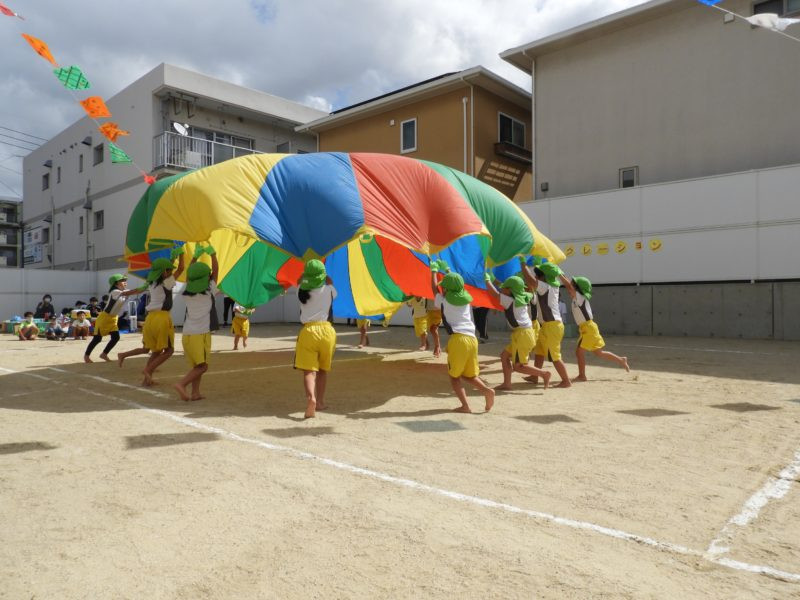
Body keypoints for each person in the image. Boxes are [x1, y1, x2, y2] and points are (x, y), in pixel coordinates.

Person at [431, 260, 494, 413]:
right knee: (469, 375)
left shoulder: (444, 300)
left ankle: (465, 406)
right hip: (472, 339)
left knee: (454, 377)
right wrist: (447, 269)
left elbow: (434, 289)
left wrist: (433, 271)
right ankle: (486, 390)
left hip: (458, 340)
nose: (442, 288)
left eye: (443, 286)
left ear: (446, 289)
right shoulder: (466, 297)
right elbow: (457, 283)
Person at [118, 246, 186, 386]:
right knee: (169, 350)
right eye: (169, 270)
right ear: (165, 272)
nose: (171, 272)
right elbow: (181, 269)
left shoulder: (152, 283)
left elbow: (139, 289)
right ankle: (147, 370)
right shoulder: (166, 283)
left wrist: (172, 258)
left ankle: (146, 380)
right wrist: (182, 254)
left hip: (150, 319)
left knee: (155, 351)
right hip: (161, 319)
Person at [485, 272, 552, 391]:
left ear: (510, 291)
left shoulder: (510, 300)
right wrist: (494, 279)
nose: (502, 290)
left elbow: (495, 294)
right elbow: (522, 289)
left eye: (504, 288)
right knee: (504, 356)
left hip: (523, 335)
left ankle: (543, 374)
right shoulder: (522, 297)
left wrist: (487, 280)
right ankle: (507, 384)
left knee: (519, 366)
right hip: (523, 333)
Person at [173, 245, 219, 402]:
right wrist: (213, 255)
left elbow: (189, 275)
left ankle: (195, 393)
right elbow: (216, 272)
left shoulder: (187, 290)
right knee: (203, 367)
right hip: (201, 334)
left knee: (197, 366)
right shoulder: (208, 290)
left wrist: (194, 257)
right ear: (207, 277)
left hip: (187, 335)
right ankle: (181, 384)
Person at [563, 276, 630, 381]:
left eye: (572, 285)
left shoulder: (580, 297)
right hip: (588, 328)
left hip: (588, 328)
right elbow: (569, 287)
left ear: (577, 288)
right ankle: (621, 360)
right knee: (599, 353)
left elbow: (568, 286)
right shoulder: (576, 299)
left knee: (579, 352)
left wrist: (559, 273)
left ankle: (582, 375)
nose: (569, 288)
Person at [519, 260, 571, 388]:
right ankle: (535, 376)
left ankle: (566, 381)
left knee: (555, 356)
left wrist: (523, 265)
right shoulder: (552, 286)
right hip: (548, 325)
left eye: (538, 275)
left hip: (552, 326)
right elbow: (531, 284)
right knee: (540, 351)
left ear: (544, 277)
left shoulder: (546, 286)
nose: (536, 277)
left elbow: (531, 282)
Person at [294, 259, 337, 419]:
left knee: (309, 371)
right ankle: (320, 402)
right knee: (323, 371)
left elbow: (299, 280)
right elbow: (329, 281)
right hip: (327, 331)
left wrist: (305, 275)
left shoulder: (300, 291)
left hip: (308, 332)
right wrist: (324, 275)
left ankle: (310, 398)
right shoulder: (329, 289)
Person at [85, 274, 145, 363]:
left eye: (125, 281)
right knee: (97, 339)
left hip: (114, 318)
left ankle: (104, 354)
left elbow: (135, 291)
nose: (125, 282)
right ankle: (86, 356)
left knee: (116, 337)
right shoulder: (115, 291)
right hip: (105, 318)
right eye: (122, 281)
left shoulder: (124, 291)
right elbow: (132, 292)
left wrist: (149, 285)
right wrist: (145, 286)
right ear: (116, 284)